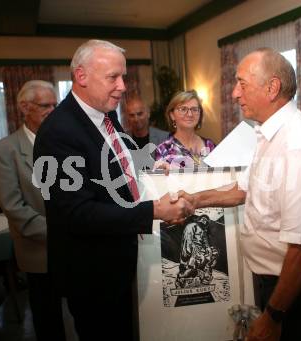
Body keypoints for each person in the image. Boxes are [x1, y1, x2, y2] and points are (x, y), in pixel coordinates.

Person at [33, 39, 193, 341]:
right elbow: (75, 213)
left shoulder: (105, 118)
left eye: (124, 77)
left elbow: (118, 166)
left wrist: (149, 170)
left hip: (118, 264)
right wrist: (153, 211)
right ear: (81, 77)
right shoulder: (58, 132)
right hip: (92, 275)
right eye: (113, 78)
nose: (122, 86)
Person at [178, 48, 301, 341]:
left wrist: (273, 316)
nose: (235, 93)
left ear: (272, 87)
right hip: (275, 283)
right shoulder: (267, 134)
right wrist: (196, 199)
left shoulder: (298, 145)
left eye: (242, 83)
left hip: (297, 290)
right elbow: (242, 190)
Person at [0, 80, 66, 341]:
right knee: (49, 321)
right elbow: (15, 209)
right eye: (46, 105)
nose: (53, 111)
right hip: (40, 253)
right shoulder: (3, 151)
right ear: (24, 107)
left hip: (76, 249)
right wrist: (64, 232)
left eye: (56, 105)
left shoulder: (64, 144)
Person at [154, 90, 216, 168]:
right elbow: (160, 179)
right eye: (183, 109)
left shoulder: (210, 145)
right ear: (172, 115)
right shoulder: (163, 149)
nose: (190, 114)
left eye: (194, 109)